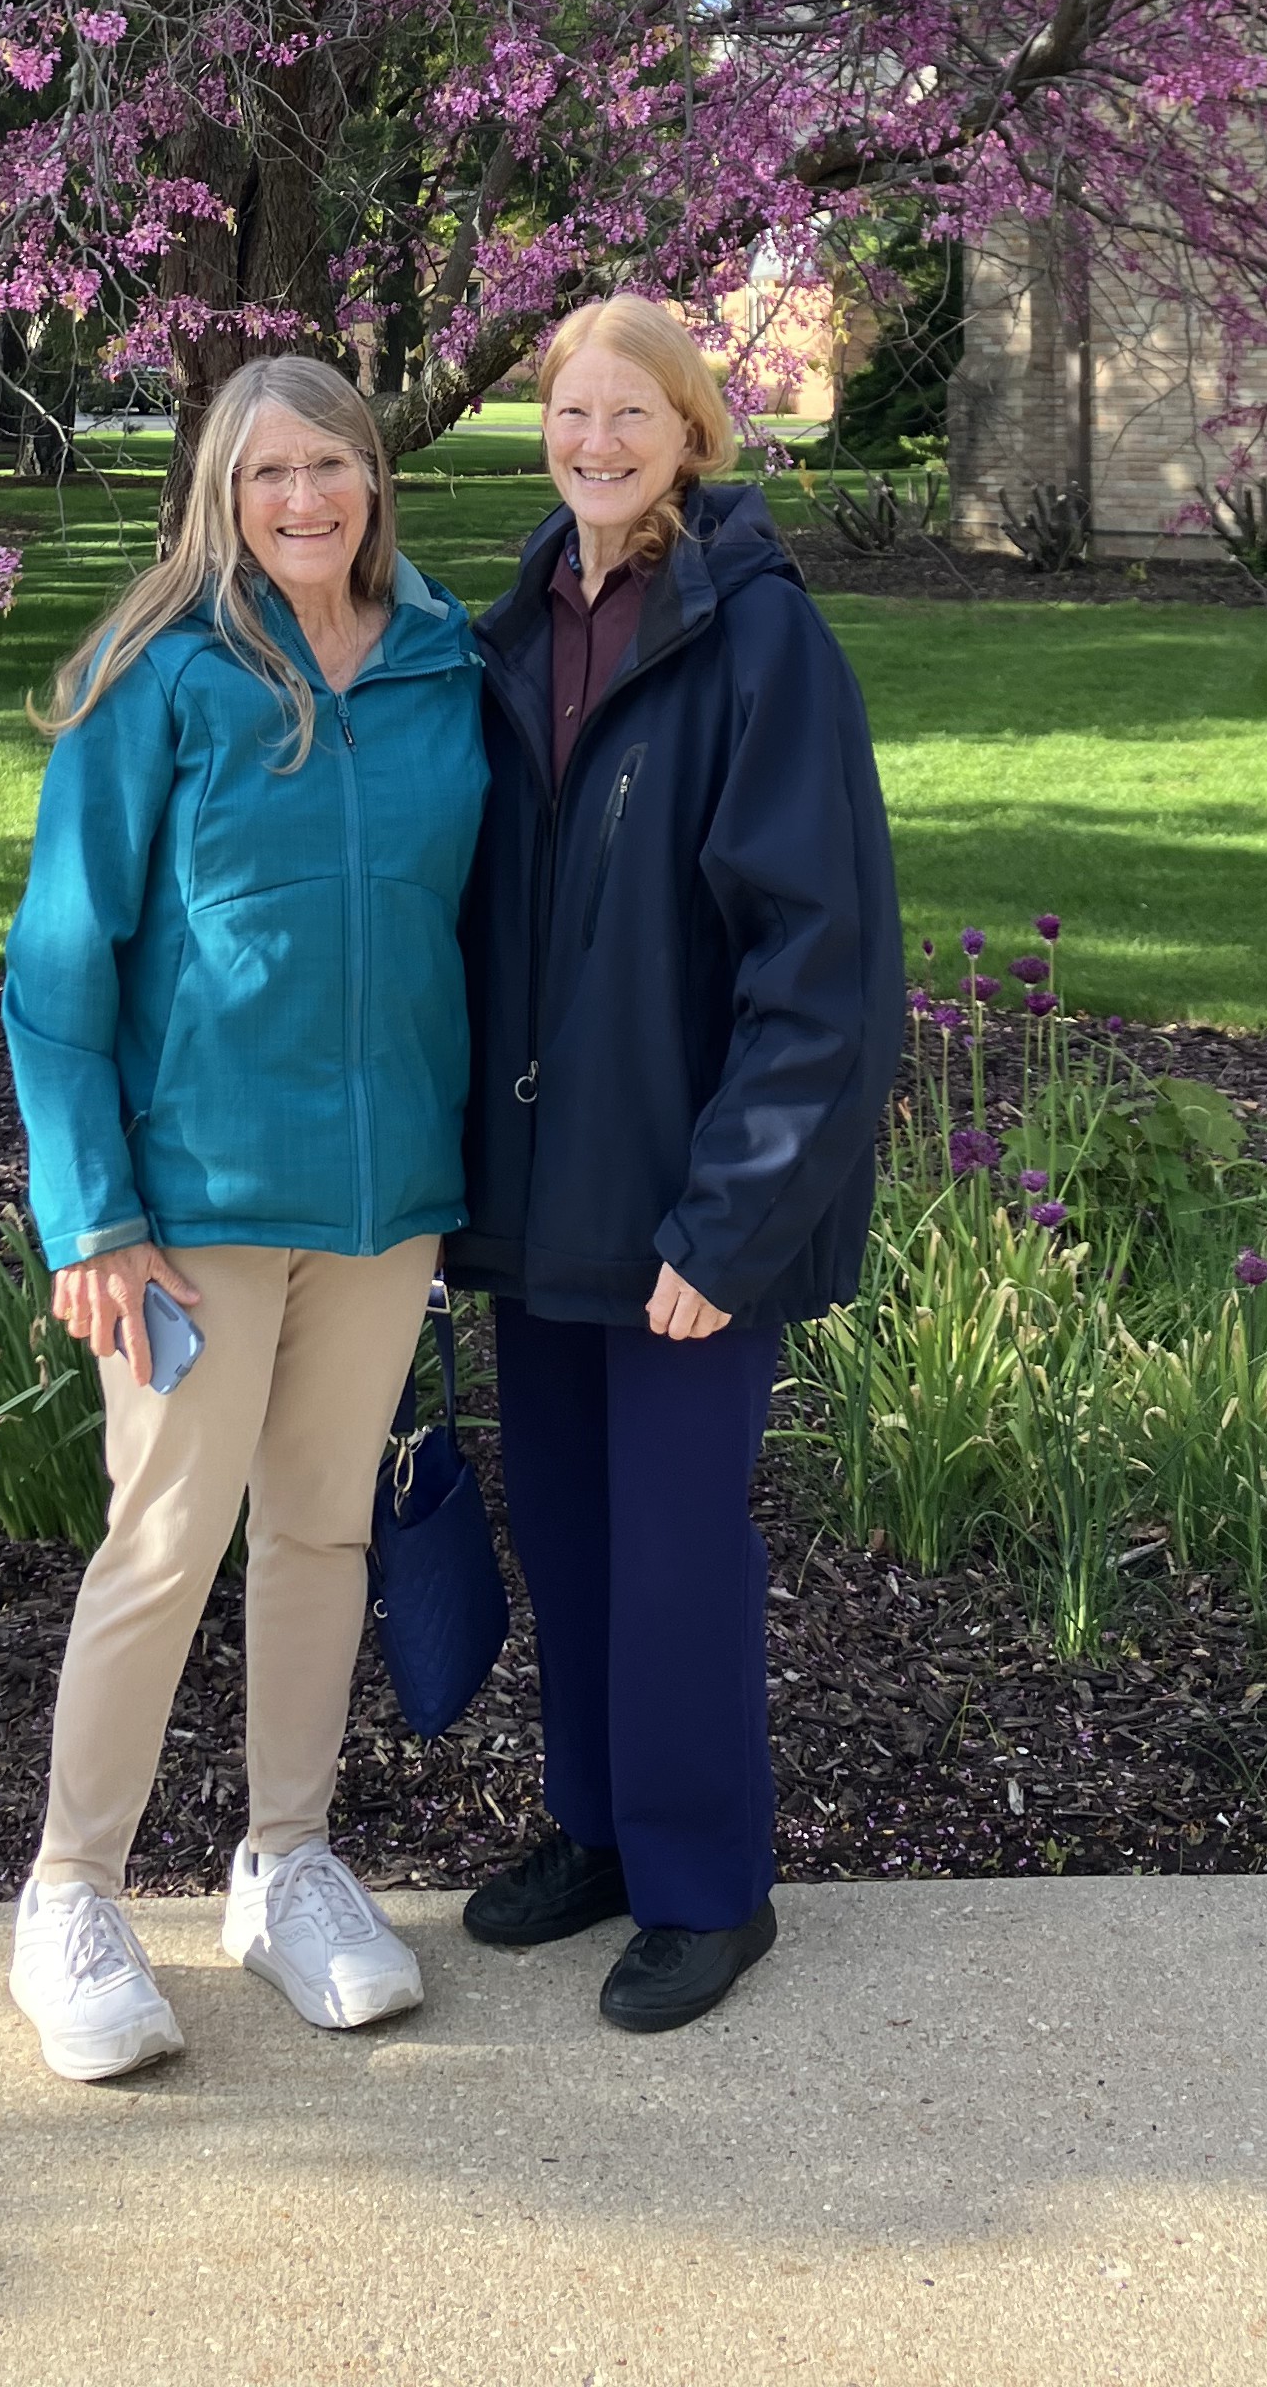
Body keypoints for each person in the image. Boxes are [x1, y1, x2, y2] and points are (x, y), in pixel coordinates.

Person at [0, 354, 488, 2082]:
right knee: (163, 1540)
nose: (304, 499)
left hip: (386, 1200)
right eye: (268, 471)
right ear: (221, 491)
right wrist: (92, 1215)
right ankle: (70, 1892)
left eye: (330, 465)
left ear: (373, 479)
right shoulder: (162, 674)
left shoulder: (447, 667)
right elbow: (60, 964)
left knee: (322, 1534)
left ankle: (287, 1865)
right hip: (194, 1202)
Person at [449, 294, 903, 2033]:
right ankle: (600, 1828)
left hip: (688, 1207)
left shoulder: (759, 639)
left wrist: (729, 1225)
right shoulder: (511, 632)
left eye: (632, 414)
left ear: (693, 432)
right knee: (570, 1534)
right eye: (572, 413)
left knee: (675, 1550)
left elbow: (819, 967)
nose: (598, 443)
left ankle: (709, 1884)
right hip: (539, 1193)